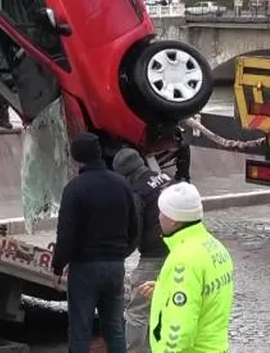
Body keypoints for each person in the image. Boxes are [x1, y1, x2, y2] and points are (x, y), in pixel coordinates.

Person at [52, 133, 140, 353]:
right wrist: (121, 252)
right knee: (114, 327)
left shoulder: (75, 188)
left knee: (80, 327)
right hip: (115, 265)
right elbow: (134, 226)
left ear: (76, 157)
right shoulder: (121, 184)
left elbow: (66, 234)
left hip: (85, 267)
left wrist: (58, 265)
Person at [135, 182, 234, 353]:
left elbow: (179, 331)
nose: (159, 217)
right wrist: (165, 292)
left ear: (174, 220)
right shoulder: (215, 246)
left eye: (162, 213)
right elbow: (203, 298)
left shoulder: (183, 259)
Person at [112, 148, 174, 353]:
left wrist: (119, 255)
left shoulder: (137, 191)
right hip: (179, 252)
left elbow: (135, 229)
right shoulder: (164, 177)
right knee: (169, 305)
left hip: (154, 256)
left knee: (138, 309)